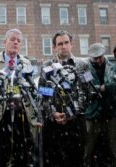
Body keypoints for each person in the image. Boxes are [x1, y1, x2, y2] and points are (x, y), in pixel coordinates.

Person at [0, 28, 37, 166]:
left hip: (20, 115)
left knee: (21, 156)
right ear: (4, 42)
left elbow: (31, 89)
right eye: (12, 39)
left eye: (19, 41)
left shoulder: (26, 63)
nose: (15, 43)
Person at [38, 30, 89, 167]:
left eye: (66, 43)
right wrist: (52, 113)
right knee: (54, 161)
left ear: (71, 45)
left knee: (76, 161)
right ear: (54, 47)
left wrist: (73, 113)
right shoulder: (46, 67)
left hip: (76, 124)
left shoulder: (83, 65)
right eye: (60, 44)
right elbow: (43, 94)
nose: (64, 46)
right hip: (53, 125)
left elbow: (87, 92)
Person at [84, 43, 116, 167]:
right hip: (92, 115)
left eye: (100, 57)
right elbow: (87, 90)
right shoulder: (86, 70)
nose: (99, 60)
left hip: (110, 114)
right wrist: (102, 88)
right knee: (88, 150)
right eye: (95, 58)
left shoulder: (114, 68)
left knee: (112, 149)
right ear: (91, 58)